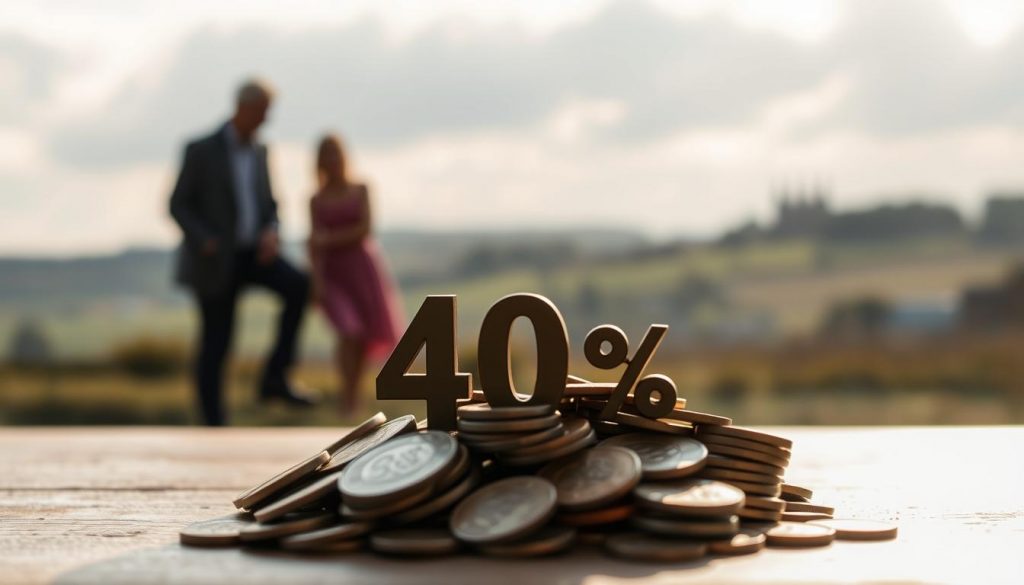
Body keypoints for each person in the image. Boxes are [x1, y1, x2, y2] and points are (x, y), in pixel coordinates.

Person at [169, 78, 316, 426]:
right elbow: (178, 205)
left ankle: (274, 378)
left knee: (299, 286)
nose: (266, 120)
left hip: (255, 254)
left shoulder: (262, 151)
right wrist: (204, 239)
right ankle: (213, 422)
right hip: (215, 259)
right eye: (263, 112)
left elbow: (270, 204)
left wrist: (272, 231)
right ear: (243, 108)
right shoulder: (201, 149)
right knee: (217, 341)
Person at [308, 134, 402, 414]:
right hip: (334, 275)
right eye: (327, 155)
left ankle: (353, 398)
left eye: (335, 154)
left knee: (363, 334)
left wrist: (328, 239)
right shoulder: (316, 199)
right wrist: (316, 281)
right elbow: (314, 242)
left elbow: (365, 229)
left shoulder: (361, 189)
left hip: (362, 270)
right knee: (347, 330)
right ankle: (344, 395)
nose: (332, 161)